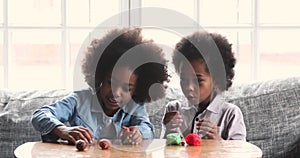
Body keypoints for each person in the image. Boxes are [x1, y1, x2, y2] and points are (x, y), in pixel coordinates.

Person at [31, 27, 169, 145]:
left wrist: (138, 133)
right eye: (112, 83)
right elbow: (40, 115)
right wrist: (62, 130)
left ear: (138, 89)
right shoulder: (79, 100)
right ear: (100, 76)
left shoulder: (135, 106)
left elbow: (148, 129)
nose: (116, 92)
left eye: (127, 88)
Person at [161, 31, 246, 141]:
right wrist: (168, 131)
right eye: (184, 79)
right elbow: (163, 152)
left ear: (216, 80)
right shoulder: (173, 109)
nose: (189, 87)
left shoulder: (230, 114)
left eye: (198, 81)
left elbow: (240, 152)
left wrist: (218, 140)